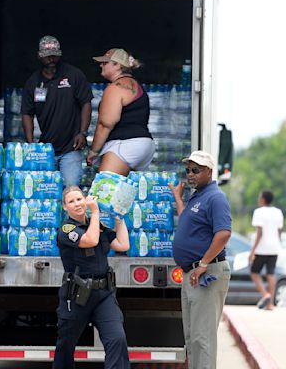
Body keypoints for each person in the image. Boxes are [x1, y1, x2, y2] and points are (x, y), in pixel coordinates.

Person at [53, 186, 130, 369]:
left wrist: (119, 218)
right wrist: (95, 212)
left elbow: (122, 244)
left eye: (79, 199)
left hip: (103, 294)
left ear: (85, 200)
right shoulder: (66, 229)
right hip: (78, 295)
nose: (77, 204)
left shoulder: (99, 226)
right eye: (71, 201)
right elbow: (90, 240)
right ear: (65, 207)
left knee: (117, 339)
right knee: (66, 345)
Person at [169, 150, 231, 369]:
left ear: (209, 171)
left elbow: (223, 233)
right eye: (188, 170)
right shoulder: (198, 196)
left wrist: (203, 264)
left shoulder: (215, 197)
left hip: (207, 274)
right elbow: (188, 218)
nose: (191, 174)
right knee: (192, 339)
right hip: (193, 274)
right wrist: (178, 198)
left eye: (196, 170)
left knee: (202, 340)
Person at [22, 35, 93, 187]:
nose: (51, 59)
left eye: (54, 55)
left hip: (71, 147)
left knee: (71, 188)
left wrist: (82, 132)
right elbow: (27, 113)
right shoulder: (33, 82)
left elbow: (86, 103)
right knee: (46, 192)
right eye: (47, 56)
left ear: (59, 54)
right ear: (39, 56)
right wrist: (30, 144)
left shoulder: (73, 75)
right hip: (45, 150)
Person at [86, 48, 155, 176]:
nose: (101, 65)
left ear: (117, 65)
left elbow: (105, 124)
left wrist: (93, 151)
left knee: (105, 190)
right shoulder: (137, 86)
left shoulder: (115, 88)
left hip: (125, 145)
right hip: (145, 144)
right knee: (127, 194)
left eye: (105, 62)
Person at [249, 190, 284, 311]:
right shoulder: (278, 212)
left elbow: (259, 233)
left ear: (263, 199)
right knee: (271, 274)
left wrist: (252, 251)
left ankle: (265, 294)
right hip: (274, 247)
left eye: (259, 197)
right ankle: (270, 304)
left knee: (254, 272)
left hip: (262, 248)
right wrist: (277, 243)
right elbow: (279, 231)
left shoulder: (259, 212)